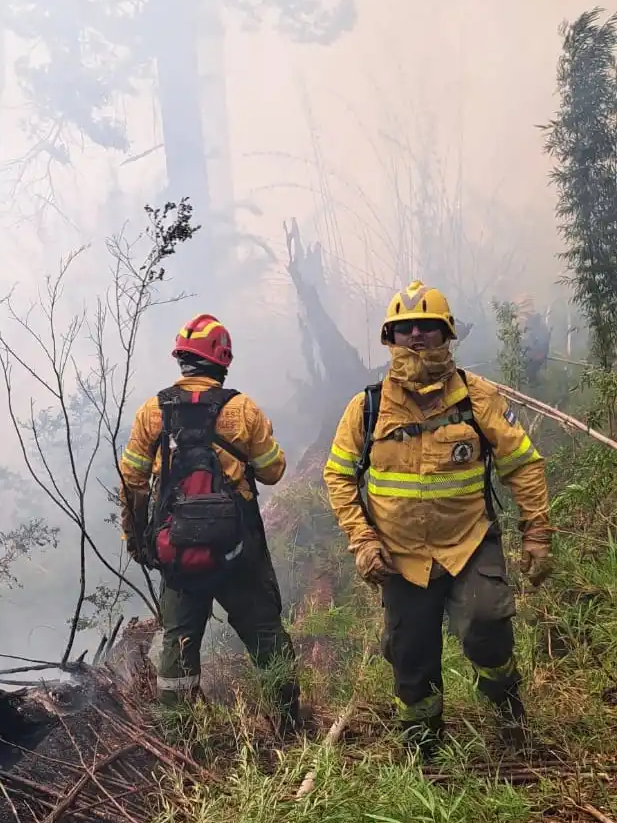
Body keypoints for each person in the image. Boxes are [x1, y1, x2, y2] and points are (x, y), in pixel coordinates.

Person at [323, 281, 551, 753]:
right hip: (401, 557)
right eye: (405, 330)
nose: (417, 338)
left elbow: (523, 463)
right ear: (390, 339)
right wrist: (363, 541)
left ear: (447, 335)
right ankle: (424, 747)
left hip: (469, 542)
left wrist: (538, 534)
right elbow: (339, 477)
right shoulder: (366, 408)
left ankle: (507, 705)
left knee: (487, 623)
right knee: (411, 657)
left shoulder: (476, 397)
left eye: (428, 328)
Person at [120, 313, 300, 732]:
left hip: (178, 554)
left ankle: (179, 738)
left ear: (182, 359)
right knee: (266, 636)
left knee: (177, 646)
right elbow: (273, 471)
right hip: (239, 552)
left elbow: (131, 481)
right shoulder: (242, 409)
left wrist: (139, 540)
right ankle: (289, 726)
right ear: (222, 360)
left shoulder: (152, 411)